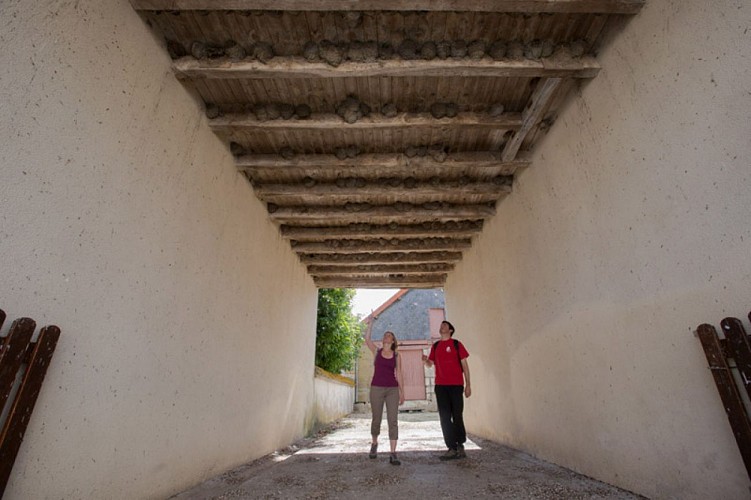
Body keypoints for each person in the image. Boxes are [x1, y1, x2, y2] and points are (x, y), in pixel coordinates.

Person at [421, 320, 471, 460]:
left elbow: (465, 366)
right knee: (444, 417)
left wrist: (468, 385)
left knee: (457, 415)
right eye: (441, 325)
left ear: (450, 330)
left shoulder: (456, 344)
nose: (441, 326)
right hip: (441, 386)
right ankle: (451, 448)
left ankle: (460, 445)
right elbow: (430, 364)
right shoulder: (436, 346)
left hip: (456, 385)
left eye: (445, 325)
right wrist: (425, 360)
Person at [364, 322, 405, 465]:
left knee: (393, 420)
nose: (386, 337)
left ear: (393, 341)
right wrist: (370, 323)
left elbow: (399, 373)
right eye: (385, 336)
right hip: (376, 388)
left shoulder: (397, 355)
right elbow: (367, 340)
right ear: (383, 340)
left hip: (392, 390)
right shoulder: (377, 352)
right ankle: (374, 443)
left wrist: (402, 392)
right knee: (377, 419)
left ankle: (393, 452)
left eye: (389, 336)